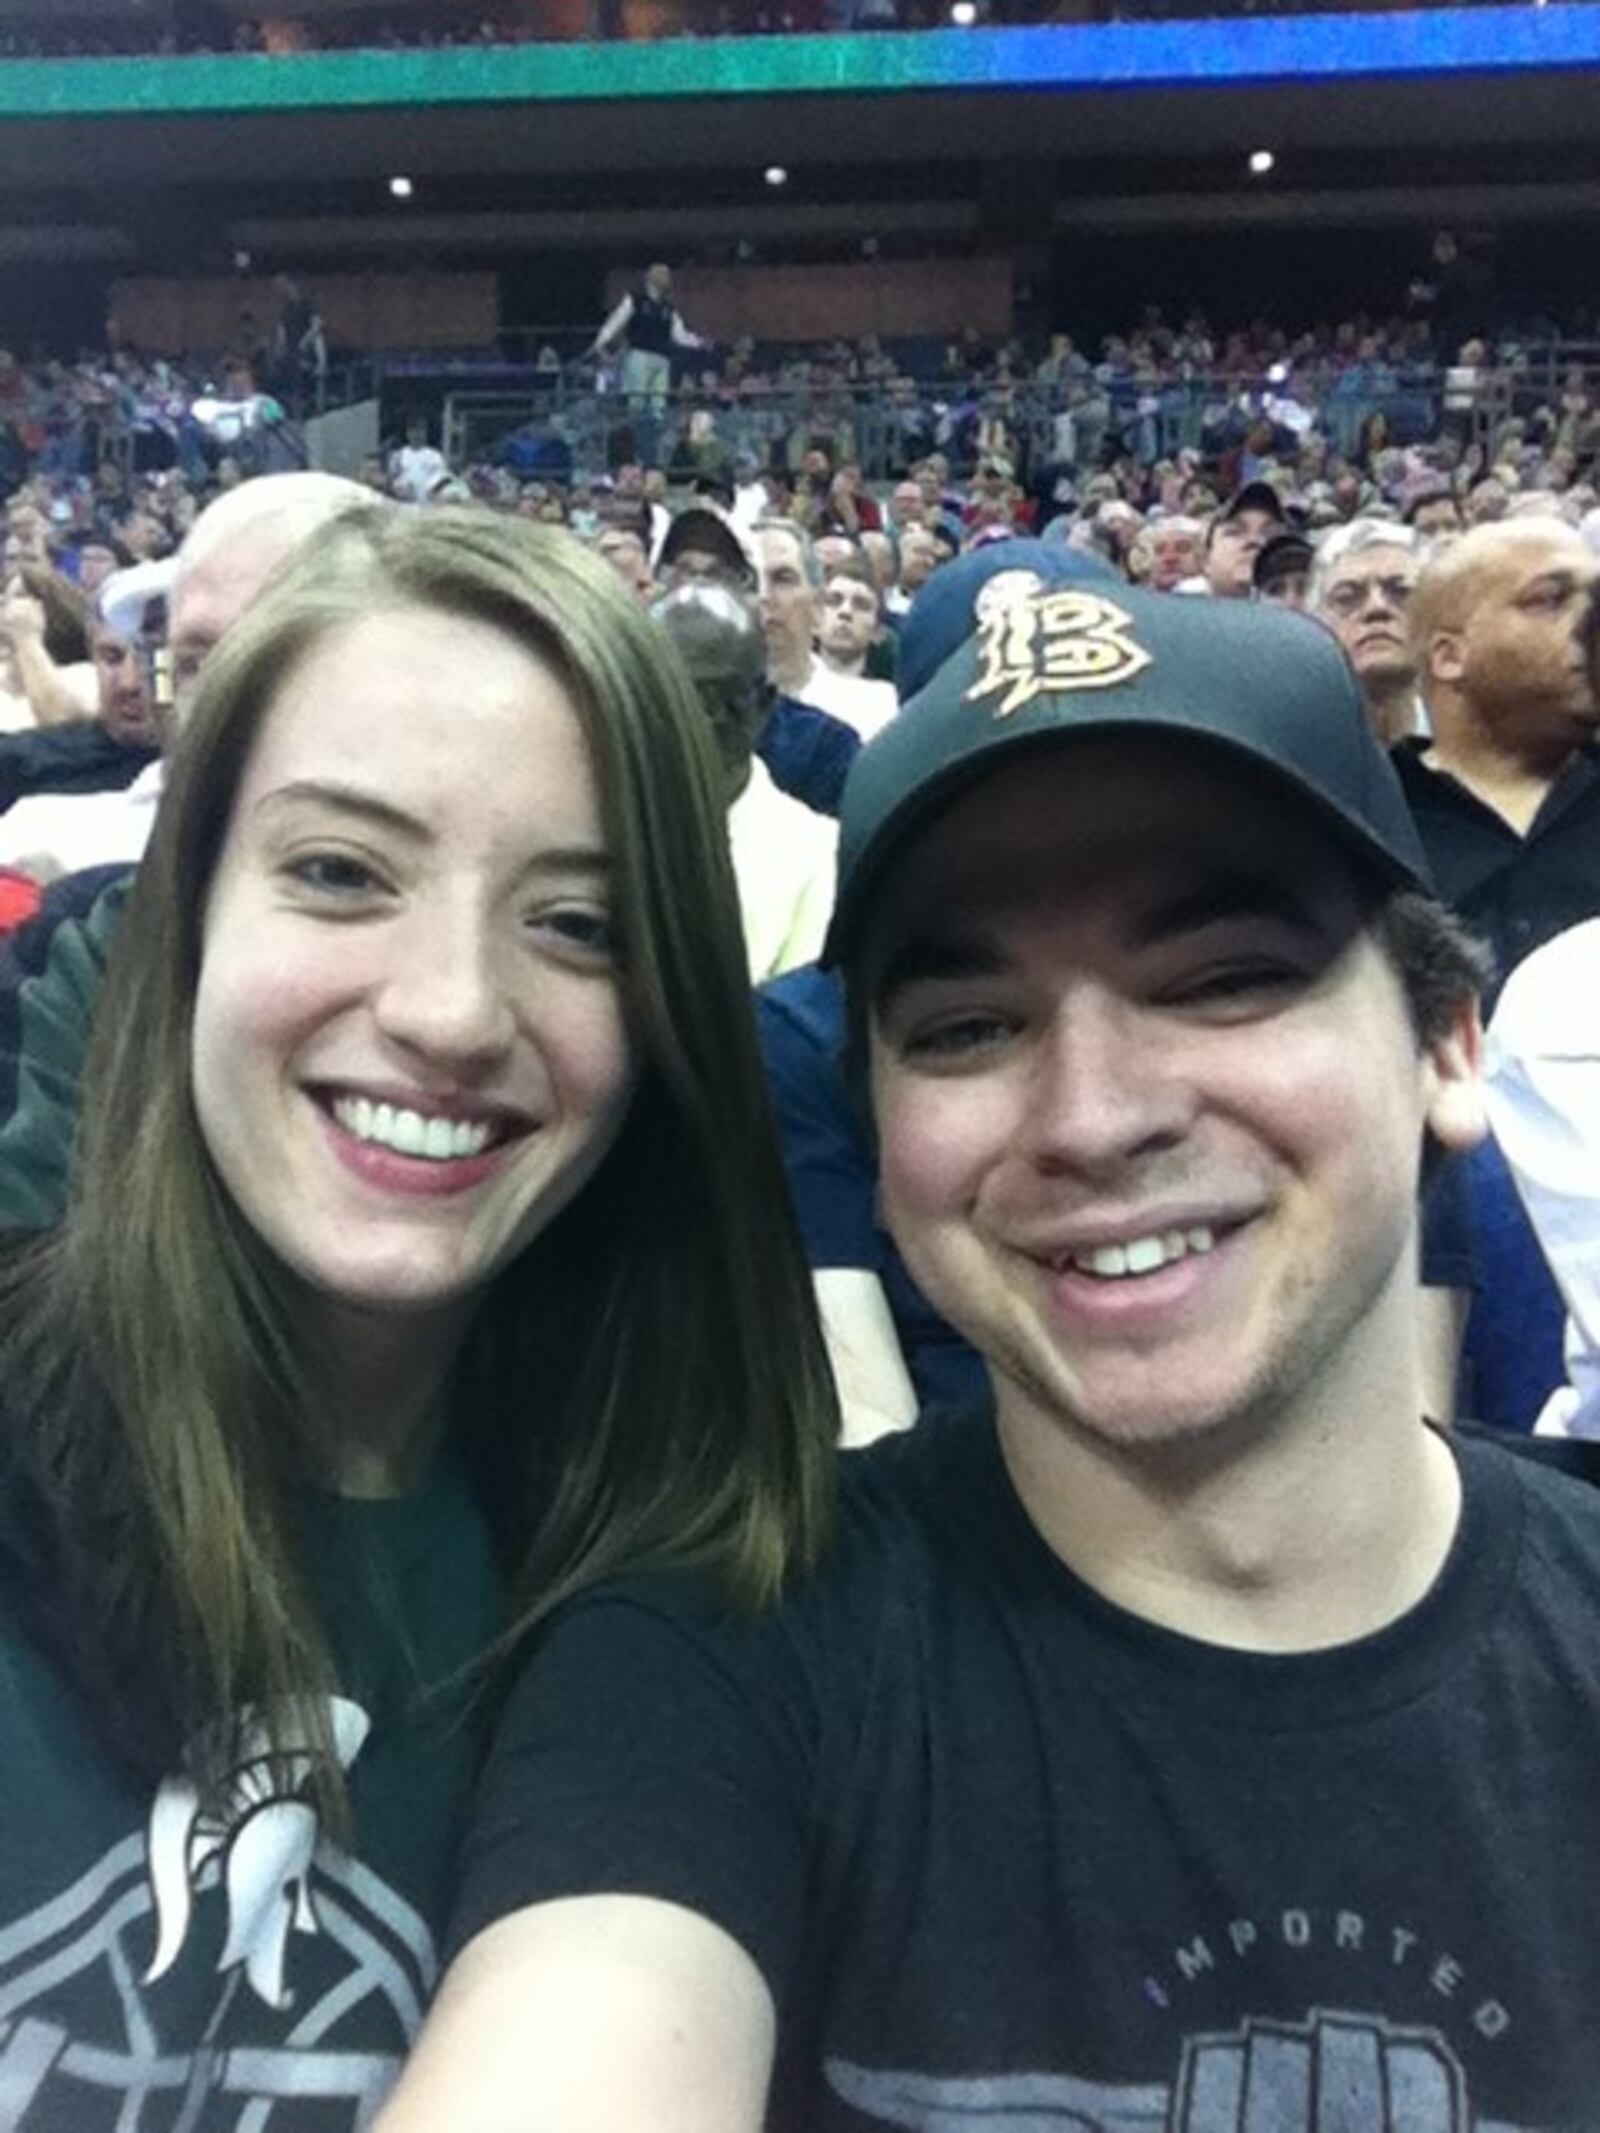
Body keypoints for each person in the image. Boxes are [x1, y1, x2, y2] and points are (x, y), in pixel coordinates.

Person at [380, 586, 1600, 2133]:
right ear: (882, 1136)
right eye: (966, 1027)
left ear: (1445, 1045)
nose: (1092, 1115)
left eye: (1225, 976)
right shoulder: (709, 1661)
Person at [0, 506, 834, 2126]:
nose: (451, 1007)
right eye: (337, 870)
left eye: (578, 920)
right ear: (185, 918)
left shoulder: (711, 1580)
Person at [651, 579, 836, 981]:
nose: (687, 723)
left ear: (763, 706)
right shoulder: (586, 825)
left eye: (712, 701)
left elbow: (793, 1032)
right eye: (663, 696)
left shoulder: (817, 857)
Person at [1308, 518, 1426, 745]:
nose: (1377, 607)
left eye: (1402, 592)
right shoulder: (1292, 753)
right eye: (1346, 598)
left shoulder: (1484, 742)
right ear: (1316, 622)